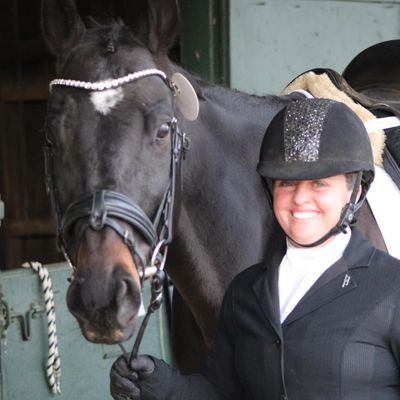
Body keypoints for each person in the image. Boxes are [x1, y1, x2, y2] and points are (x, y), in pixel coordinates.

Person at [110, 98, 400, 400]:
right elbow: (220, 392)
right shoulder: (245, 292)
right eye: (286, 183)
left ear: (356, 193)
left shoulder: (392, 290)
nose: (300, 198)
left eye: (319, 184)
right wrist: (160, 383)